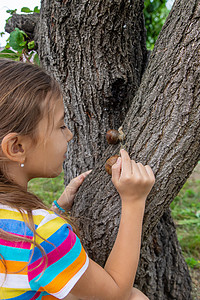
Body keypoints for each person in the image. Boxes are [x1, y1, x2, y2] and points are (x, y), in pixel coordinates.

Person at [0, 59, 155, 300]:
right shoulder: (41, 236)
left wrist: (57, 209)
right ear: (17, 146)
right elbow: (115, 294)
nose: (70, 134)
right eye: (61, 126)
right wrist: (134, 201)